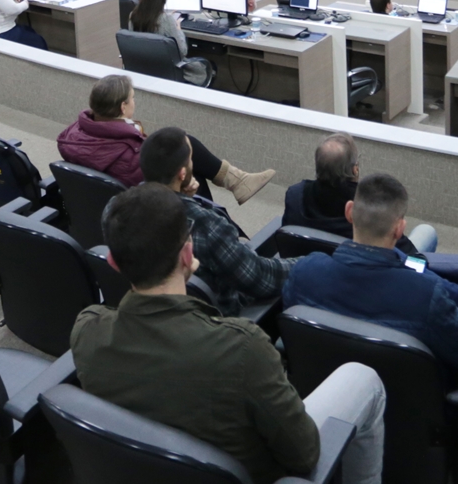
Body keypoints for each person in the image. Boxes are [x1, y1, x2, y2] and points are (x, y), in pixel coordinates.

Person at [72, 183, 386, 484]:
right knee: (364, 380)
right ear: (187, 255)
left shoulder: (86, 330)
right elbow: (305, 456)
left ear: (112, 262)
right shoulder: (243, 349)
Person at [283, 173, 458, 371]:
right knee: (426, 233)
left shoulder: (303, 271)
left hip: (321, 381)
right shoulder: (427, 295)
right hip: (400, 388)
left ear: (349, 211)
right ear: (399, 229)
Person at [141, 127, 293, 315]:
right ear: (182, 174)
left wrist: (188, 198)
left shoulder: (119, 209)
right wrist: (306, 264)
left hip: (156, 311)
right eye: (191, 159)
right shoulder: (205, 225)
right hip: (219, 317)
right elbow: (260, 278)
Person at [57, 74, 273, 203]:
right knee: (186, 157)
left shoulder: (75, 135)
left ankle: (235, 181)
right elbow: (153, 187)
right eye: (133, 98)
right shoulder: (128, 154)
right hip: (145, 210)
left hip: (104, 204)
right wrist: (185, 186)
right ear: (123, 107)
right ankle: (227, 202)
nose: (134, 102)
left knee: (183, 147)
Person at [282, 133, 437, 253]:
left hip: (313, 271)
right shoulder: (370, 206)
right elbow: (407, 253)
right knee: (427, 231)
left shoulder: (294, 194)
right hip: (369, 276)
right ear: (355, 169)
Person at [128, 0, 210, 86]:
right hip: (169, 70)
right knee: (205, 68)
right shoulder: (166, 20)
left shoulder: (133, 16)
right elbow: (182, 51)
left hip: (144, 69)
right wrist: (178, 30)